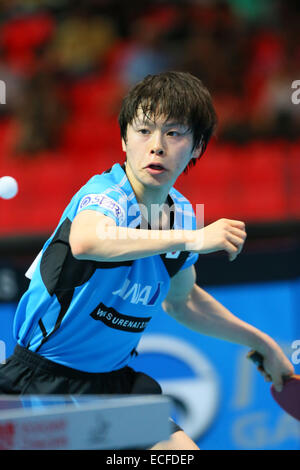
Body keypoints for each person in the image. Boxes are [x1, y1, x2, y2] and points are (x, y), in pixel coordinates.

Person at [0, 71, 294, 450]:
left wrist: (263, 343)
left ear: (198, 147)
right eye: (143, 131)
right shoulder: (105, 193)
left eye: (174, 133)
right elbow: (88, 241)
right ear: (124, 140)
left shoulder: (183, 213)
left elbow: (183, 300)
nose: (156, 146)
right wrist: (193, 239)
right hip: (41, 383)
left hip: (111, 388)